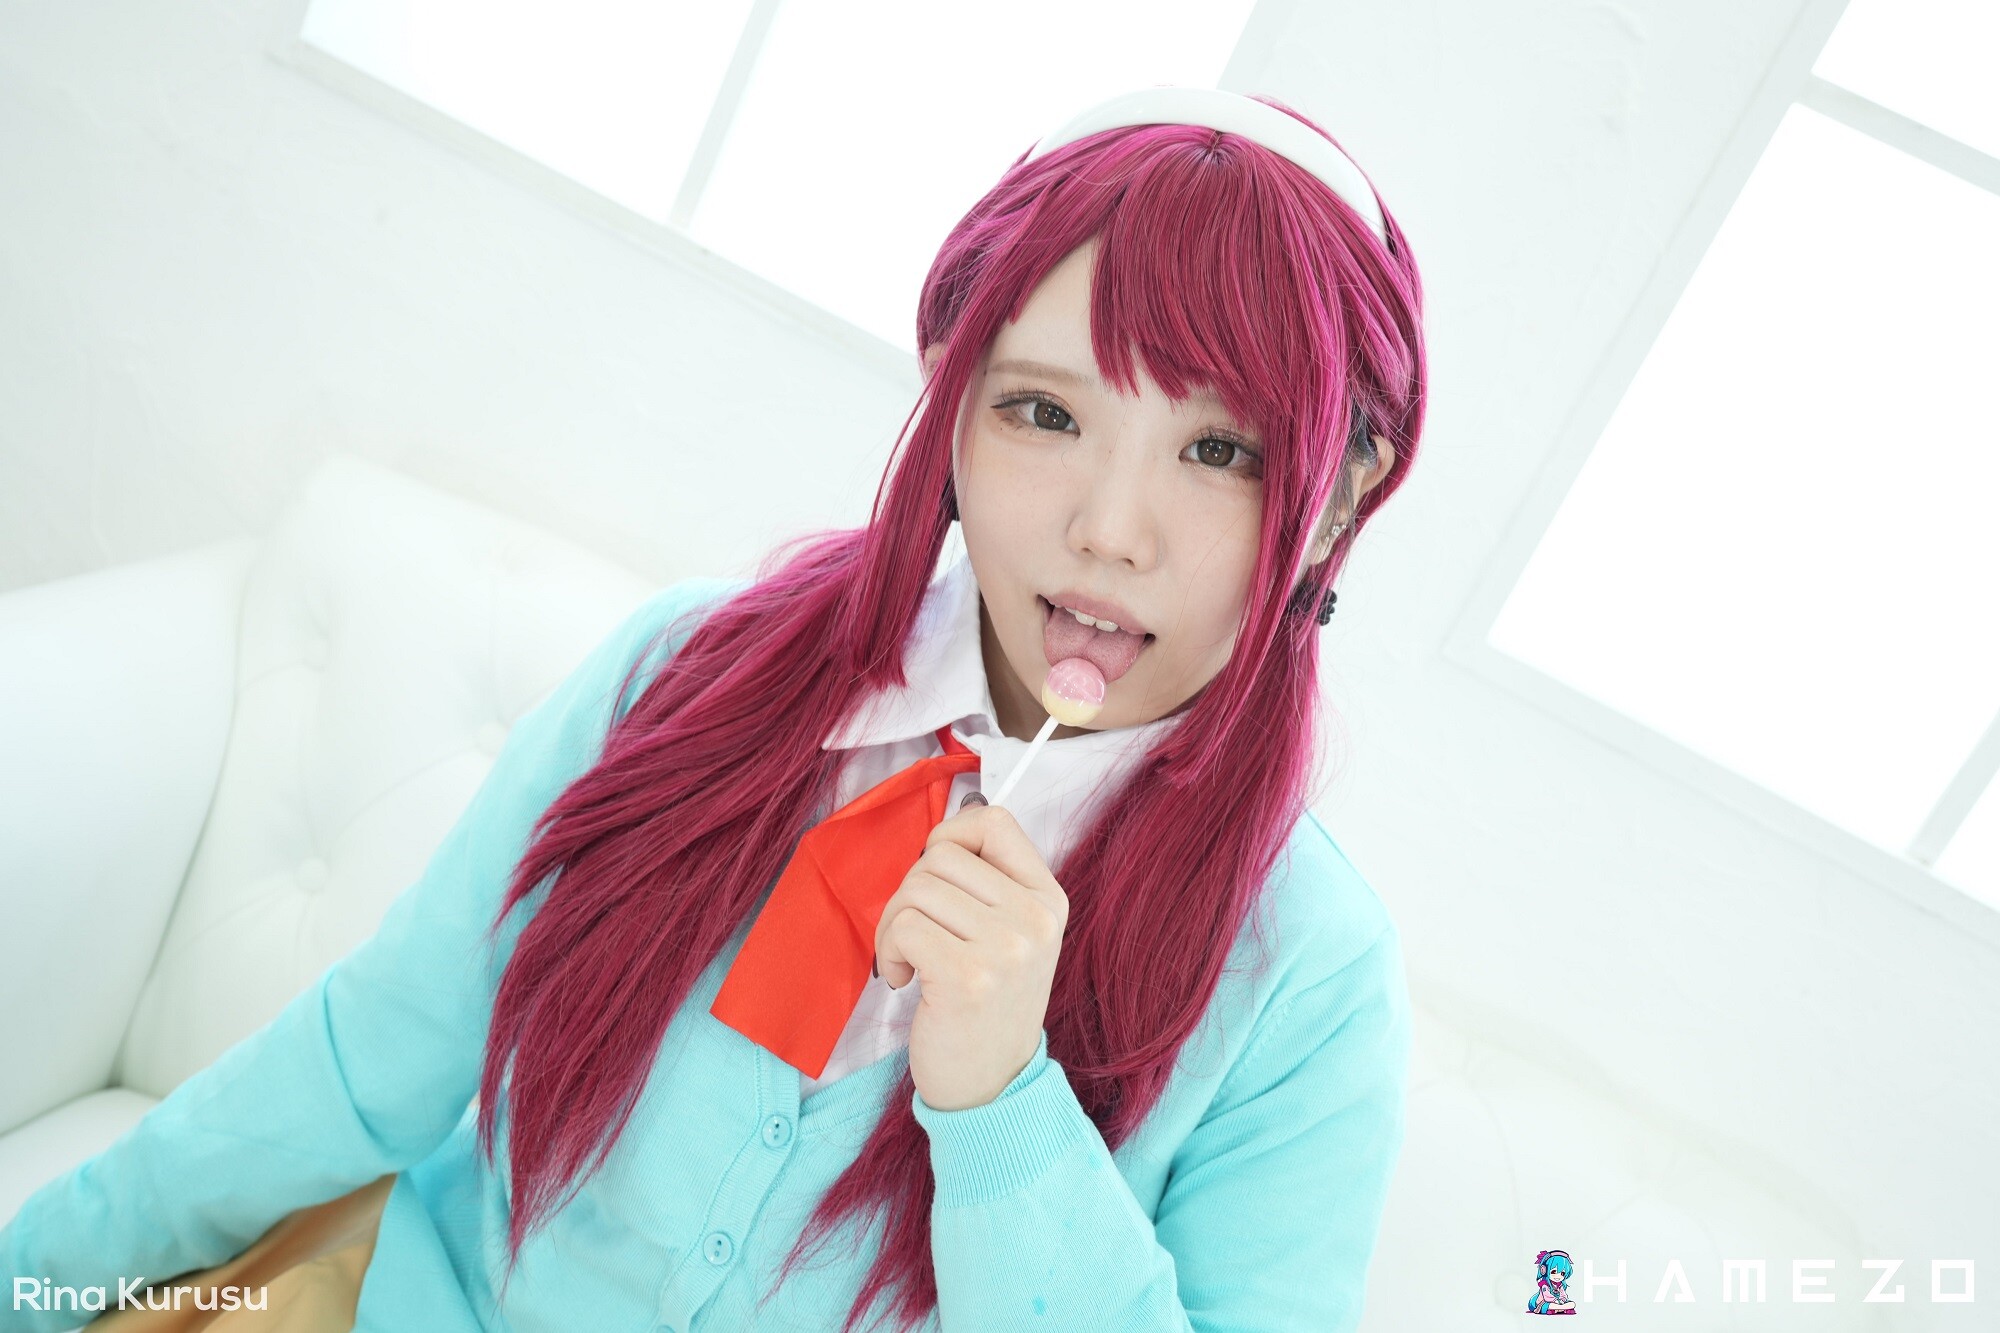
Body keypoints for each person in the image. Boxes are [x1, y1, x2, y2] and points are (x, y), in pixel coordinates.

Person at [0, 85, 1428, 1332]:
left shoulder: (1309, 977)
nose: (1111, 529)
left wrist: (1000, 1105)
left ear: (1337, 500)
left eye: (1221, 450)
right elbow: (367, 1057)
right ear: (951, 404)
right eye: (1044, 414)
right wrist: (29, 1281)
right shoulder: (687, 670)